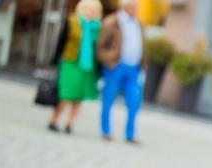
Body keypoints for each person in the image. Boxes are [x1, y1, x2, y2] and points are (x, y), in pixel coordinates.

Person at [47, 0, 102, 134]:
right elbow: (61, 42)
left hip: (88, 66)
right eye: (87, 9)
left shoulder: (98, 27)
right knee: (65, 95)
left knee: (79, 97)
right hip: (70, 62)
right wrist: (54, 60)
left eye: (93, 10)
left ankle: (70, 123)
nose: (90, 12)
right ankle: (54, 120)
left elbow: (99, 48)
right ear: (81, 9)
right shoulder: (72, 22)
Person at [96, 0, 146, 144]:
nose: (136, 9)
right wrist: (110, 61)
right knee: (108, 99)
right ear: (125, 7)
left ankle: (130, 135)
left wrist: (142, 63)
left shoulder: (139, 23)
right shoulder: (112, 22)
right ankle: (106, 131)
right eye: (134, 6)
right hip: (115, 67)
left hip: (133, 68)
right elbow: (101, 46)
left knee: (134, 101)